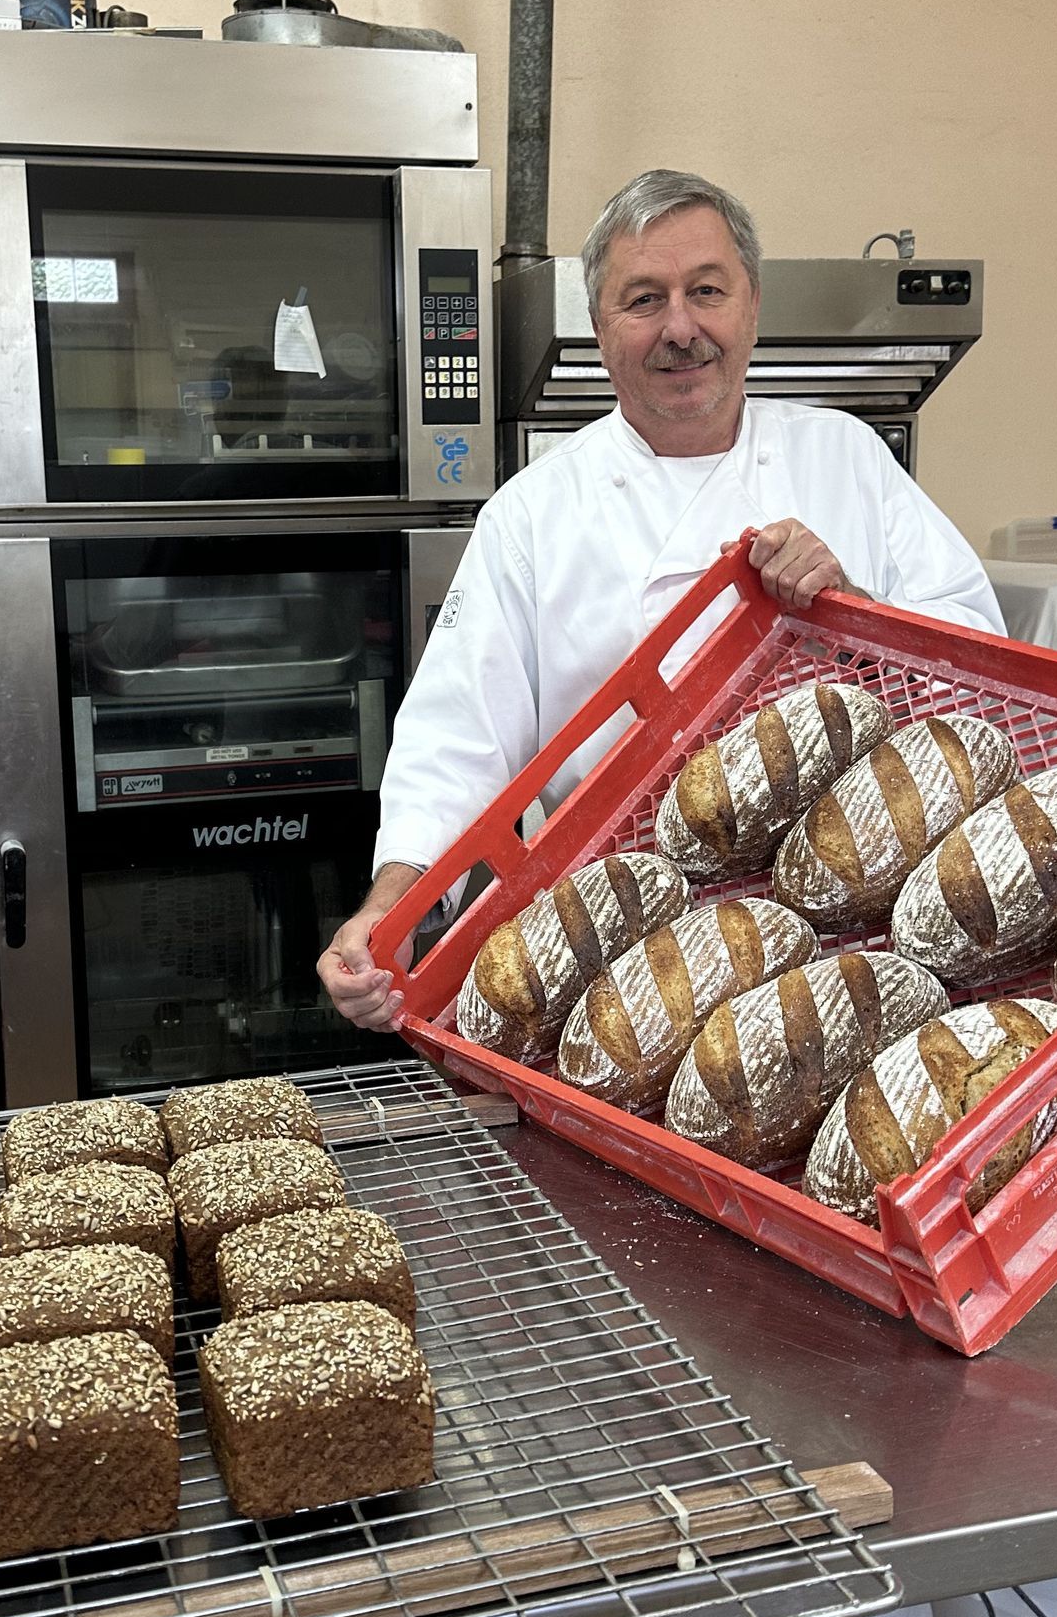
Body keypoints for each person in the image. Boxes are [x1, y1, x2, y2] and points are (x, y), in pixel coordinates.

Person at [319, 168, 1003, 1030]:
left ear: (751, 305)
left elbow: (982, 671)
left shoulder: (849, 460)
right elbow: (455, 742)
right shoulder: (534, 512)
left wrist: (857, 614)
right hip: (605, 950)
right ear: (600, 327)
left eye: (706, 291)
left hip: (846, 935)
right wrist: (391, 911)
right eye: (643, 299)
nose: (681, 328)